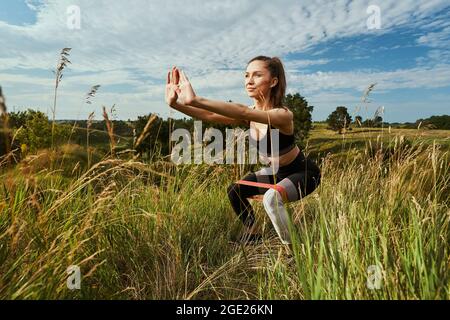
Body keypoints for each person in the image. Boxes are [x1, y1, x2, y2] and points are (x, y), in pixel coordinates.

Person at [165, 56, 321, 245]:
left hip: (303, 173)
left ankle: (295, 247)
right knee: (236, 190)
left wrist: (195, 100)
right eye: (246, 75)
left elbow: (243, 112)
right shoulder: (249, 114)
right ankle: (253, 233)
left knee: (272, 198)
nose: (249, 80)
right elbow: (210, 115)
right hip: (275, 173)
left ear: (273, 82)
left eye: (257, 75)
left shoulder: (282, 115)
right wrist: (176, 105)